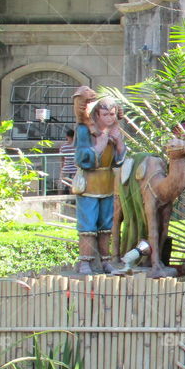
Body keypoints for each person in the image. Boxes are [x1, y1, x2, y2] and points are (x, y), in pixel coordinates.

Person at [72, 87, 126, 274]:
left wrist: (118, 144)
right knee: (88, 225)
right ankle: (85, 261)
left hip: (107, 184)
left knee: (105, 225)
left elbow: (119, 160)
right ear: (97, 114)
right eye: (105, 114)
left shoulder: (116, 132)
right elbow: (81, 158)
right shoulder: (84, 130)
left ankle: (105, 260)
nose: (110, 118)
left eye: (112, 114)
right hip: (89, 184)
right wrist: (101, 144)